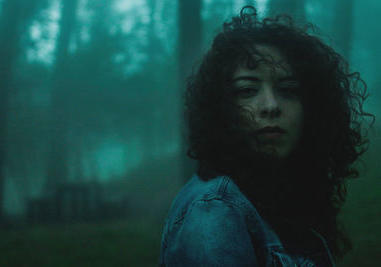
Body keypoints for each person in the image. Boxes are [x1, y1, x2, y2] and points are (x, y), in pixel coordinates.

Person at [159, 6, 374, 267]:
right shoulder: (214, 210)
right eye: (247, 90)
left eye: (288, 90)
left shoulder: (281, 197)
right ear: (219, 107)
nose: (271, 105)